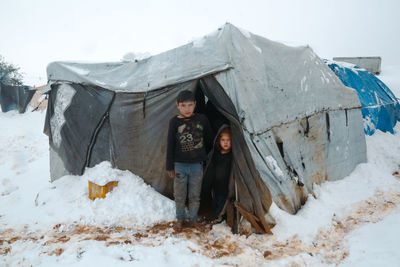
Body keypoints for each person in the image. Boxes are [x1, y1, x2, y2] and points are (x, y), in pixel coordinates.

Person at [166, 90, 214, 230]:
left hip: (196, 165)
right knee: (180, 194)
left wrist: (203, 153)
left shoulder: (202, 119)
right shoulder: (174, 122)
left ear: (195, 104)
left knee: (195, 195)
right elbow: (170, 144)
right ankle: (180, 219)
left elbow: (210, 138)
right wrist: (170, 166)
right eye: (183, 105)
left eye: (190, 105)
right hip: (179, 165)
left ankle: (193, 220)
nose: (187, 109)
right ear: (177, 105)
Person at [208, 126, 232, 221]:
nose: (225, 142)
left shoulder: (232, 155)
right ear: (219, 141)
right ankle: (216, 215)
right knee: (216, 201)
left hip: (226, 185)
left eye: (228, 140)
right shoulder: (216, 154)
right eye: (223, 140)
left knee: (223, 201)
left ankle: (219, 218)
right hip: (216, 184)